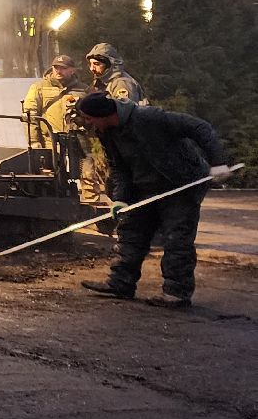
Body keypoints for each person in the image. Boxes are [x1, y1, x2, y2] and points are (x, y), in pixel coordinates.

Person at [75, 93, 234, 308]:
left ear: (104, 114)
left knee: (177, 237)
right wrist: (121, 199)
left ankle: (177, 293)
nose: (87, 123)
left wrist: (219, 163)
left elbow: (199, 127)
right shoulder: (107, 132)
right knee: (132, 231)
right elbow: (119, 167)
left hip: (181, 183)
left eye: (88, 118)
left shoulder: (149, 118)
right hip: (146, 186)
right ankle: (121, 283)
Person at [25, 53, 101, 203]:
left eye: (63, 68)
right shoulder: (39, 88)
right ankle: (54, 208)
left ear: (72, 70)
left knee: (88, 175)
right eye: (56, 67)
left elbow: (94, 117)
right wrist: (34, 141)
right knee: (51, 177)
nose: (58, 71)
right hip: (50, 141)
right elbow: (30, 116)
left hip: (78, 139)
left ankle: (93, 210)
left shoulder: (84, 90)